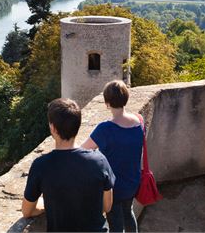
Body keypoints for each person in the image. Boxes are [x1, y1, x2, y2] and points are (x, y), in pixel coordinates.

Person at [22, 98, 116, 232]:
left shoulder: (41, 166)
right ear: (78, 126)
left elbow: (27, 212)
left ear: (53, 128)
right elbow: (107, 206)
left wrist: (46, 206)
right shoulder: (99, 161)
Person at [81, 80, 143, 232]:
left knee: (115, 223)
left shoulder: (105, 129)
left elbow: (83, 150)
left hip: (113, 187)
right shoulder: (138, 122)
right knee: (128, 213)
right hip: (133, 181)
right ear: (126, 99)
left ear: (106, 102)